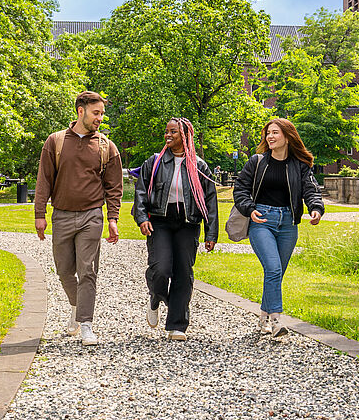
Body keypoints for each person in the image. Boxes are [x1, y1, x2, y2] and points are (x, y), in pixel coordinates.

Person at [33, 91, 123, 346]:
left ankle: (86, 325)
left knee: (87, 271)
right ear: (80, 111)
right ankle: (75, 305)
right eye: (97, 113)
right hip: (61, 215)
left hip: (92, 216)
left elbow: (114, 187)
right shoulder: (56, 142)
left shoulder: (107, 147)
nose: (100, 119)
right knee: (64, 271)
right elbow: (44, 180)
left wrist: (112, 219)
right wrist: (40, 214)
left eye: (102, 114)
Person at [232, 118, 324, 337]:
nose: (270, 137)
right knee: (273, 269)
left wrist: (316, 209)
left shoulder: (300, 165)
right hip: (262, 220)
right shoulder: (257, 161)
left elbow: (310, 190)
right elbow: (241, 188)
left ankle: (263, 316)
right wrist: (249, 208)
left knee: (276, 273)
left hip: (288, 224)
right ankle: (276, 321)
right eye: (268, 133)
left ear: (287, 136)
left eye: (275, 133)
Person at [132, 118, 219, 341]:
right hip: (160, 220)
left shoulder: (199, 166)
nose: (167, 135)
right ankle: (156, 296)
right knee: (160, 268)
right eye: (166, 131)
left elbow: (210, 201)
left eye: (173, 132)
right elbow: (141, 192)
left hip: (188, 223)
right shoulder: (155, 162)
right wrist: (142, 218)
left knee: (183, 272)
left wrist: (211, 233)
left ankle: (177, 325)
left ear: (185, 135)